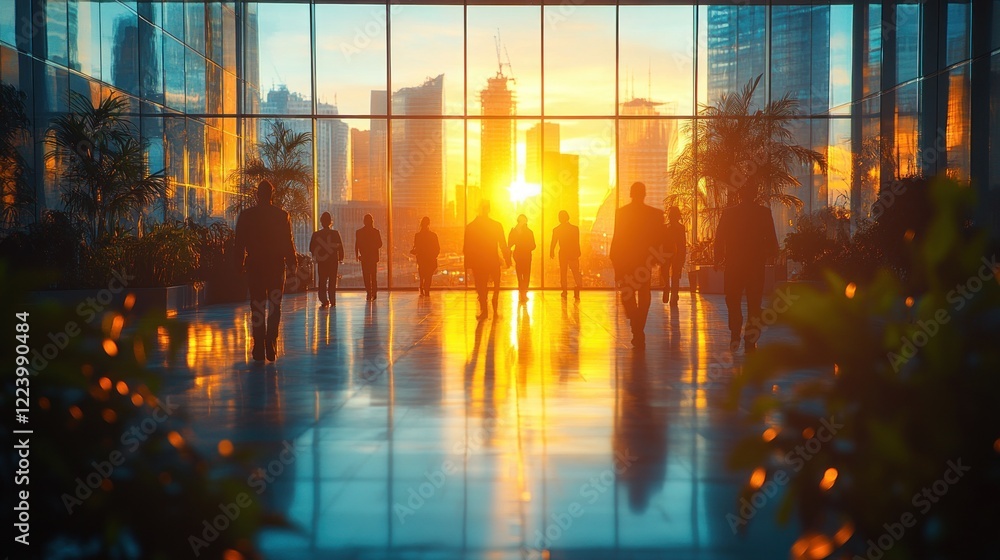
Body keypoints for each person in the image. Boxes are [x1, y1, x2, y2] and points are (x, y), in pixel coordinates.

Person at [235, 180, 297, 362]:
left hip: (255, 266)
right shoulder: (281, 215)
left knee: (257, 306)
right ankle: (270, 341)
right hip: (276, 267)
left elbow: (239, 243)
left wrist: (238, 264)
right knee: (274, 306)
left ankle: (258, 345)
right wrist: (293, 264)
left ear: (257, 194)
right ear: (272, 195)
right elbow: (288, 242)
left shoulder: (247, 216)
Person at [714, 186, 779, 353]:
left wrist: (717, 258)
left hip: (734, 265)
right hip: (755, 266)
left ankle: (735, 331)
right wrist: (772, 253)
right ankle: (750, 339)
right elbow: (771, 237)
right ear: (755, 195)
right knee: (754, 303)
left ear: (739, 196)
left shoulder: (729, 213)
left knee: (733, 299)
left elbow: (719, 237)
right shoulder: (763, 213)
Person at [609, 181, 665, 348]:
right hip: (645, 262)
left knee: (628, 294)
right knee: (644, 294)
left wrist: (616, 263)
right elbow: (660, 240)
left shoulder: (622, 213)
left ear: (631, 194)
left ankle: (636, 324)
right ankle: (638, 326)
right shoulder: (655, 214)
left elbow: (617, 238)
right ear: (644, 194)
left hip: (627, 261)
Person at [463, 201, 511, 320]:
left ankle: (484, 310)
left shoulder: (471, 227)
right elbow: (503, 244)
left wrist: (468, 263)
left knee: (481, 286)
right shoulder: (496, 225)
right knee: (496, 283)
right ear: (489, 209)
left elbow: (466, 247)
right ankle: (494, 300)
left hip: (478, 262)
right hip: (492, 259)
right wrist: (507, 259)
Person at [310, 211, 344, 308]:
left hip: (322, 261)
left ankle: (323, 300)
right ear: (330, 222)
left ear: (321, 222)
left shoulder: (316, 235)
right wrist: (340, 258)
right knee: (332, 281)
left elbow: (311, 248)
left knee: (322, 281)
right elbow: (340, 247)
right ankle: (332, 300)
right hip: (333, 261)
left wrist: (317, 256)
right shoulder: (335, 233)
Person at [550, 209, 583, 300]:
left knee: (563, 273)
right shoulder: (575, 229)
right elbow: (577, 242)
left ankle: (564, 291)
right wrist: (578, 253)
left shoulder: (557, 229)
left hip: (563, 253)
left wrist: (551, 250)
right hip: (573, 254)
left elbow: (554, 242)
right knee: (575, 272)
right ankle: (577, 288)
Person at [661, 206, 687, 306]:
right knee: (675, 276)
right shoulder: (681, 228)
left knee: (665, 273)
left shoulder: (665, 227)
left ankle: (666, 287)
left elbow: (661, 243)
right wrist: (682, 258)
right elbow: (682, 244)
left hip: (666, 254)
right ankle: (674, 297)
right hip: (677, 254)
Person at [508, 214, 536, 303]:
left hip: (519, 255)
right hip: (526, 255)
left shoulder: (515, 231)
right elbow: (533, 245)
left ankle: (522, 291)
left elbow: (510, 243)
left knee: (520, 274)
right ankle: (523, 292)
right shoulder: (529, 232)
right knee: (526, 274)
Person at [355, 213, 383, 302]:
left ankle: (369, 292)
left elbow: (357, 245)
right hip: (373, 257)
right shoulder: (375, 232)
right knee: (373, 276)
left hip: (364, 257)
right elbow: (380, 244)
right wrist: (372, 247)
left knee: (366, 276)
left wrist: (357, 255)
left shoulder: (359, 232)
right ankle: (373, 293)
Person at [412, 216, 440, 296]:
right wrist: (434, 255)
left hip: (421, 258)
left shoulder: (417, 235)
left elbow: (416, 247)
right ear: (429, 224)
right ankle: (426, 289)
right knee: (429, 275)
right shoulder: (433, 235)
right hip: (430, 258)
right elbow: (437, 248)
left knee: (422, 274)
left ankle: (422, 285)